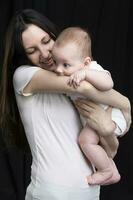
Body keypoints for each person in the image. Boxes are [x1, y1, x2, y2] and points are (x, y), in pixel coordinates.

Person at [0, 9, 131, 200]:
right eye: (32, 50)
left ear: (56, 37)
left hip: (89, 191)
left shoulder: (70, 85)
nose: (44, 54)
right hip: (52, 192)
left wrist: (105, 127)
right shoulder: (24, 76)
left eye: (46, 42)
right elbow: (84, 88)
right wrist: (126, 105)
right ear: (24, 55)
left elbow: (110, 151)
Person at [51, 26, 127, 186]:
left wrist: (86, 74)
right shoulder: (71, 72)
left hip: (110, 115)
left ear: (85, 62)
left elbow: (108, 83)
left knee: (85, 141)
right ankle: (112, 170)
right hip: (96, 119)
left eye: (65, 65)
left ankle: (106, 171)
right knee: (98, 146)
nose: (58, 69)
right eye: (56, 62)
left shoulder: (92, 69)